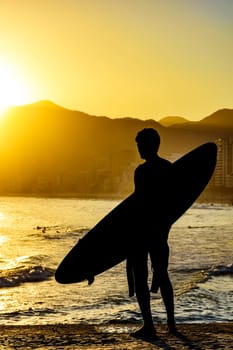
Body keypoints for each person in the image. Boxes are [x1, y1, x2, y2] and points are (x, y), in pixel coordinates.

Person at [126, 128, 176, 339]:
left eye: (140, 144)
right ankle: (171, 325)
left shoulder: (142, 171)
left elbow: (139, 203)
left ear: (148, 145)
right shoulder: (169, 169)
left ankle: (150, 326)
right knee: (162, 275)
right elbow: (175, 204)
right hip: (159, 231)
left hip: (143, 231)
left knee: (142, 278)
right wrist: (164, 227)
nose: (138, 148)